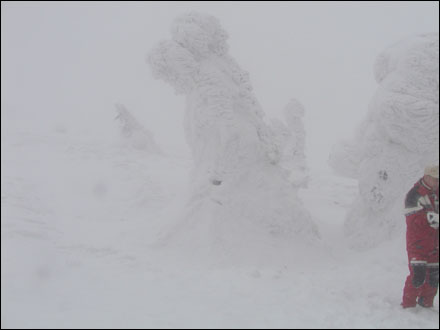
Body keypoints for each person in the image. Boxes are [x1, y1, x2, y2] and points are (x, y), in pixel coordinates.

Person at [401, 165, 439, 308]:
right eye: (435, 179)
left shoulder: (437, 193)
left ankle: (426, 304)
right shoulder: (414, 194)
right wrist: (432, 218)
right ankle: (408, 306)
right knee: (418, 276)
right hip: (417, 243)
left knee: (434, 277)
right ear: (426, 177)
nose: (437, 183)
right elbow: (413, 221)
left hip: (435, 244)